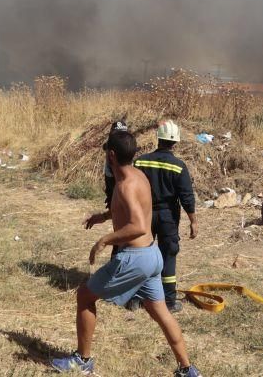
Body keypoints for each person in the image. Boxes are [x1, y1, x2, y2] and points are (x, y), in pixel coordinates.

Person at [52, 130, 202, 377]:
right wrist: (103, 217)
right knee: (160, 312)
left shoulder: (125, 185)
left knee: (85, 297)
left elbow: (138, 225)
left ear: (111, 155)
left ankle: (83, 360)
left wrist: (104, 240)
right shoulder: (137, 175)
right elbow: (138, 208)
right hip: (153, 255)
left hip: (135, 258)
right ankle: (187, 369)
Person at [133, 120, 197, 312]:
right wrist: (193, 221)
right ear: (175, 142)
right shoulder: (178, 166)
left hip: (144, 214)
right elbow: (186, 197)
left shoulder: (140, 161)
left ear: (158, 138)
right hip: (168, 217)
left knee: (140, 254)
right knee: (168, 255)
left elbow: (130, 187)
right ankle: (169, 301)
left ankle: (135, 299)